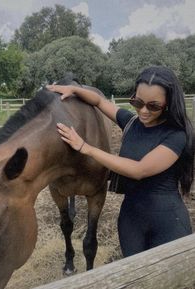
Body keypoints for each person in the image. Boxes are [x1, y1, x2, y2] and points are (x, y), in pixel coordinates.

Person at [47, 66, 194, 257]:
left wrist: (86, 148)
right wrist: (74, 90)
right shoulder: (132, 122)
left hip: (167, 222)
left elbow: (138, 170)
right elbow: (99, 101)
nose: (143, 111)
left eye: (153, 106)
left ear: (168, 104)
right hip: (130, 220)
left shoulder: (176, 135)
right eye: (137, 102)